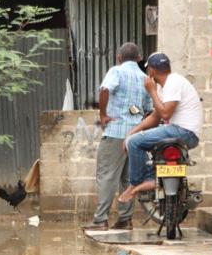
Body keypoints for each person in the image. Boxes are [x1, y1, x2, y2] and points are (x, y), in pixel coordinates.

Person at [118, 52, 204, 204]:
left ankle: (137, 183)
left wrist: (151, 91)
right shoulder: (166, 86)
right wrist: (130, 134)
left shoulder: (173, 83)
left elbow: (165, 114)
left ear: (151, 71)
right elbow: (154, 118)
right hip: (184, 133)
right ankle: (151, 179)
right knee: (133, 140)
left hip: (184, 132)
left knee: (135, 143)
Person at [85, 42, 152, 230]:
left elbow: (105, 89)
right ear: (139, 58)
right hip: (136, 136)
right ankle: (125, 219)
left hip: (115, 133)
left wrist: (103, 115)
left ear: (119, 58)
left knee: (107, 175)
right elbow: (148, 110)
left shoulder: (116, 71)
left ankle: (100, 220)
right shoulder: (144, 77)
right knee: (128, 179)